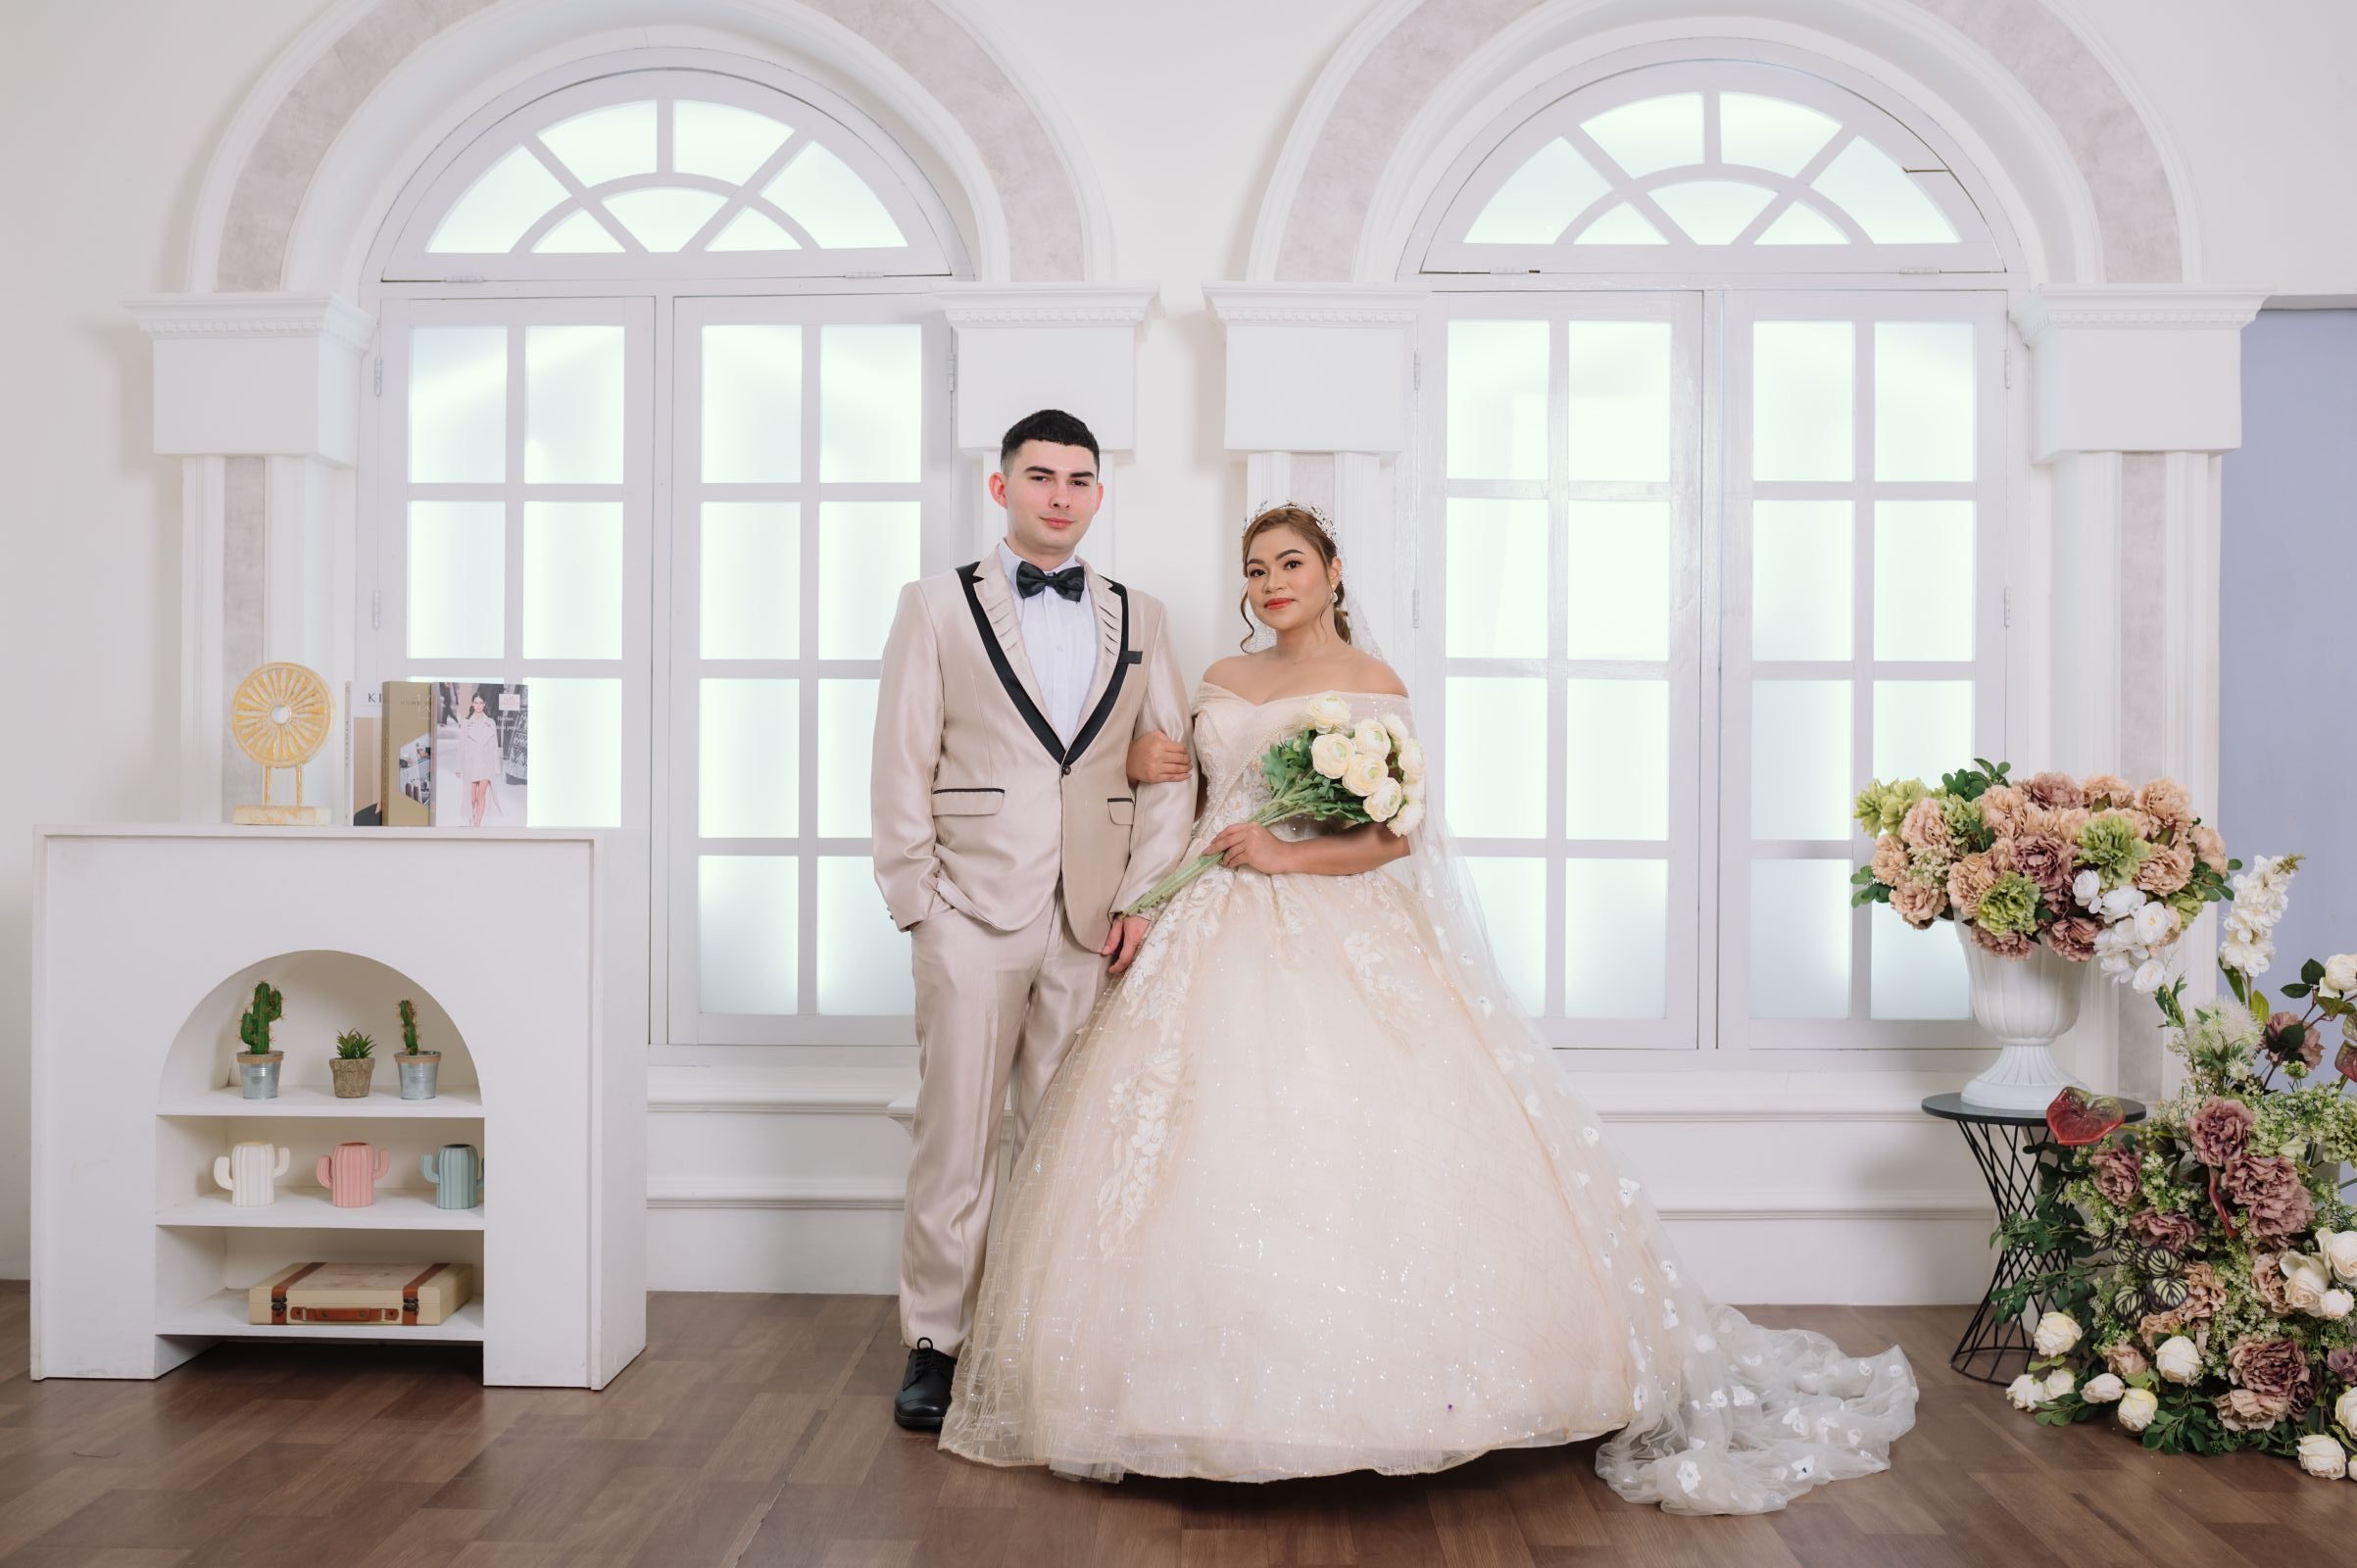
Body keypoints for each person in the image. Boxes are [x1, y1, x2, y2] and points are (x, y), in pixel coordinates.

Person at [936, 505, 1918, 1514]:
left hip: (1325, 914)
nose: (1271, 583)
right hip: (1206, 914)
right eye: (1255, 569)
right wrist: (1142, 789)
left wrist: (1285, 855)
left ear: (1332, 572)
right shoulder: (1221, 679)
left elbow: (1394, 835)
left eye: (1290, 563)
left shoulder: (1373, 685)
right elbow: (1184, 806)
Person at [869, 409, 1197, 1432]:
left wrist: (1142, 898)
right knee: (955, 1136)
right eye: (1041, 475)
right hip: (968, 909)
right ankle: (936, 1341)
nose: (1060, 495)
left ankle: (1045, 1336)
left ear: (1098, 492)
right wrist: (918, 903)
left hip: (1091, 917)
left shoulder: (1140, 616)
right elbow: (900, 757)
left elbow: (1169, 765)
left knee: (1063, 1139)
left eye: (1078, 479)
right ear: (1000, 485)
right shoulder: (933, 605)